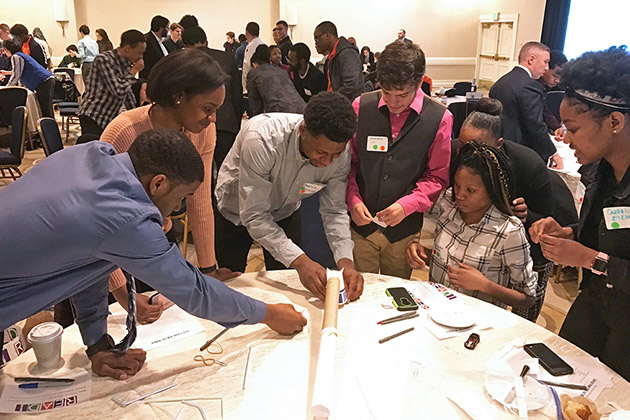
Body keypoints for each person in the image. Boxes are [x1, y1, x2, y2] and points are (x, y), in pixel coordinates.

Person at [0, 128, 307, 380]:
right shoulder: (124, 216)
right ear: (158, 183)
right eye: (181, 197)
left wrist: (97, 344)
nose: (176, 209)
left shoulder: (93, 154)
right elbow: (195, 292)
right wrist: (268, 313)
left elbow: (87, 262)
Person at [100, 48, 239, 322]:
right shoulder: (122, 132)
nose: (212, 119)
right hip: (107, 253)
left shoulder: (201, 132)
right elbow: (96, 225)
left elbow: (199, 201)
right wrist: (122, 293)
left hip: (154, 239)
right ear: (178, 97)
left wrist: (208, 268)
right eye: (207, 109)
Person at [529, 46, 630, 381]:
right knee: (560, 377)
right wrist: (568, 233)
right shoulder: (598, 172)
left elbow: (600, 255)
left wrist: (589, 259)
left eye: (572, 128)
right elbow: (604, 233)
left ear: (615, 121)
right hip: (596, 302)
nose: (564, 138)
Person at [215, 91, 364, 300]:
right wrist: (301, 261)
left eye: (336, 154)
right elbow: (255, 215)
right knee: (230, 286)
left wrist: (345, 261)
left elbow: (334, 210)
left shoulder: (341, 150)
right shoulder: (262, 139)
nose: (328, 161)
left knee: (286, 283)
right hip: (234, 210)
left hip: (285, 210)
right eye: (321, 152)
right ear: (303, 130)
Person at [347, 41, 452, 279]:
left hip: (403, 231)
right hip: (360, 225)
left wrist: (408, 205)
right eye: (386, 92)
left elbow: (437, 177)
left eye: (402, 94)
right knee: (359, 290)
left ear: (419, 82)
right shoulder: (361, 107)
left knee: (396, 293)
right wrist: (352, 199)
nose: (394, 102)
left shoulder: (440, 118)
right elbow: (349, 165)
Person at [454, 98, 558, 322]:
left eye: (478, 146)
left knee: (522, 318)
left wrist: (526, 215)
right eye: (463, 144)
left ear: (498, 144)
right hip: (484, 243)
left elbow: (550, 221)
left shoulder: (528, 164)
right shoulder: (458, 155)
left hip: (530, 246)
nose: (467, 153)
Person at [407, 142, 537, 310]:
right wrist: (422, 252)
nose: (459, 195)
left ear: (492, 190)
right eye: (457, 185)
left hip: (477, 321)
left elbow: (528, 298)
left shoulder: (508, 231)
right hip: (436, 308)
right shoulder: (448, 204)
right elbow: (449, 261)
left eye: (471, 190)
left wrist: (484, 285)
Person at [489, 41, 563, 169]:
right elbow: (535, 124)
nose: (546, 68)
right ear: (531, 60)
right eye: (545, 62)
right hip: (519, 153)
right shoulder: (530, 85)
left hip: (496, 146)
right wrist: (552, 153)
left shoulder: (500, 82)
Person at [77, 29, 146, 136]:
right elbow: (118, 90)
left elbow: (127, 94)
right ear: (127, 48)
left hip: (107, 117)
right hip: (93, 115)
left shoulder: (126, 64)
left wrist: (138, 116)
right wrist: (134, 70)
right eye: (139, 53)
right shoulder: (104, 60)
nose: (141, 57)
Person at [3, 38, 55, 118]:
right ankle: (49, 127)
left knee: (45, 109)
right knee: (47, 108)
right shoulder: (21, 54)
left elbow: (16, 76)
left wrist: (7, 89)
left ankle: (48, 127)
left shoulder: (16, 56)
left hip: (42, 82)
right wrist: (7, 73)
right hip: (47, 79)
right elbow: (19, 71)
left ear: (7, 49)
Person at [247, 45, 305, 117]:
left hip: (280, 113)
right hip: (302, 109)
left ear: (254, 65)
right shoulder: (281, 70)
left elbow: (255, 104)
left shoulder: (254, 73)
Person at [313, 21, 364, 101]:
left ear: (327, 35)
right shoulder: (332, 56)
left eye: (317, 38)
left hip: (348, 106)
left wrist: (332, 99)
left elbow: (352, 84)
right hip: (338, 103)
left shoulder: (347, 53)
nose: (315, 43)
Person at [539, 49, 568, 134]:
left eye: (560, 78)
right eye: (555, 76)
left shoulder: (546, 85)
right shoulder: (534, 85)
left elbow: (544, 110)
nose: (557, 81)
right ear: (546, 68)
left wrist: (557, 127)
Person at [140, 15, 169, 80]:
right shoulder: (147, 40)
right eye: (167, 27)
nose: (168, 29)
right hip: (150, 78)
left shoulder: (161, 42)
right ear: (161, 28)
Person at [242, 21, 265, 94]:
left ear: (247, 32)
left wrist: (245, 87)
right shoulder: (263, 44)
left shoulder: (250, 46)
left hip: (252, 83)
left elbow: (247, 66)